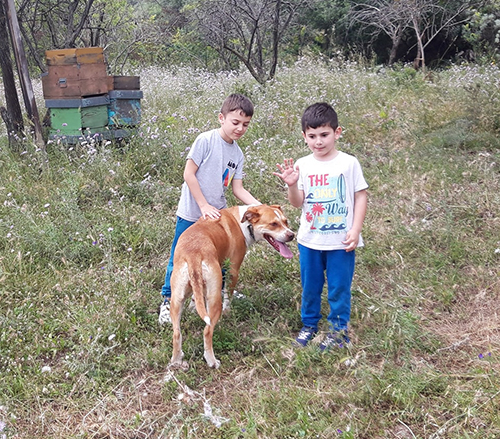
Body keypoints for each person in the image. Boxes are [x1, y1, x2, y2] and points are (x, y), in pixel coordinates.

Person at [158, 93, 261, 325]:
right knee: (179, 256)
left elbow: (238, 189)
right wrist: (203, 205)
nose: (240, 128)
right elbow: (188, 174)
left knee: (219, 257)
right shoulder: (206, 140)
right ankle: (167, 299)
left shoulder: (238, 154)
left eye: (245, 125)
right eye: (235, 122)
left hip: (217, 217)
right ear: (221, 118)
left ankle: (217, 293)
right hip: (192, 212)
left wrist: (259, 207)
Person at [273, 102, 368, 350]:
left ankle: (338, 331)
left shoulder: (349, 163)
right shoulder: (303, 165)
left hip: (341, 241)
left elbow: (360, 196)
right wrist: (292, 185)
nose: (319, 142)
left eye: (324, 135)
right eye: (312, 136)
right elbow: (297, 203)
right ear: (304, 136)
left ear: (337, 132)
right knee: (310, 286)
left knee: (339, 286)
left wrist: (356, 230)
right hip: (310, 240)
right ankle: (309, 325)